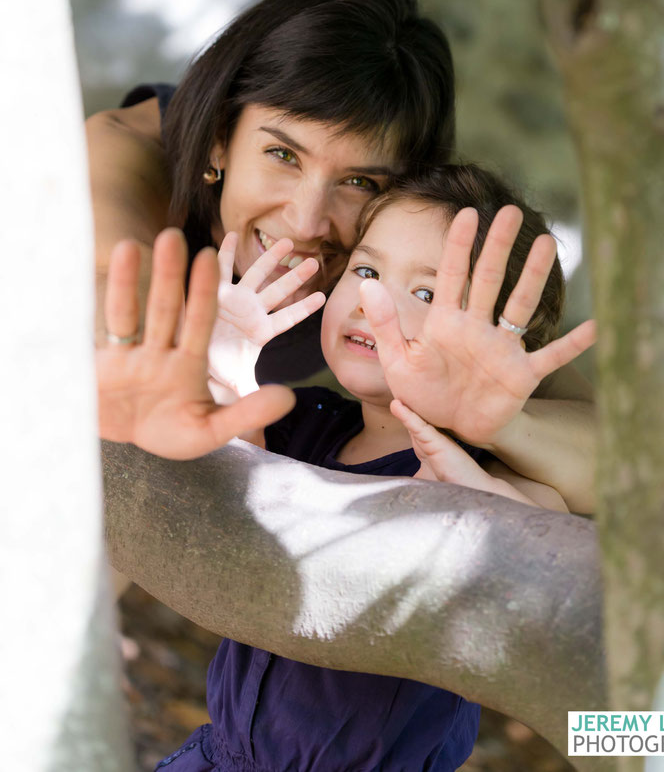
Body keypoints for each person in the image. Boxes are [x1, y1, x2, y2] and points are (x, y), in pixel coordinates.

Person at [98, 162, 595, 772]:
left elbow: (547, 544)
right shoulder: (309, 418)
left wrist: (480, 500)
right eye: (365, 269)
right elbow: (234, 484)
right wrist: (228, 374)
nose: (372, 301)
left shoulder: (473, 471)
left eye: (427, 293)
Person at [89, 0, 596, 511]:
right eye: (283, 155)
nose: (306, 222)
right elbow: (105, 295)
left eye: (359, 183)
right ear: (219, 138)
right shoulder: (120, 163)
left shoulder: (406, 247)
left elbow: (610, 455)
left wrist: (504, 423)